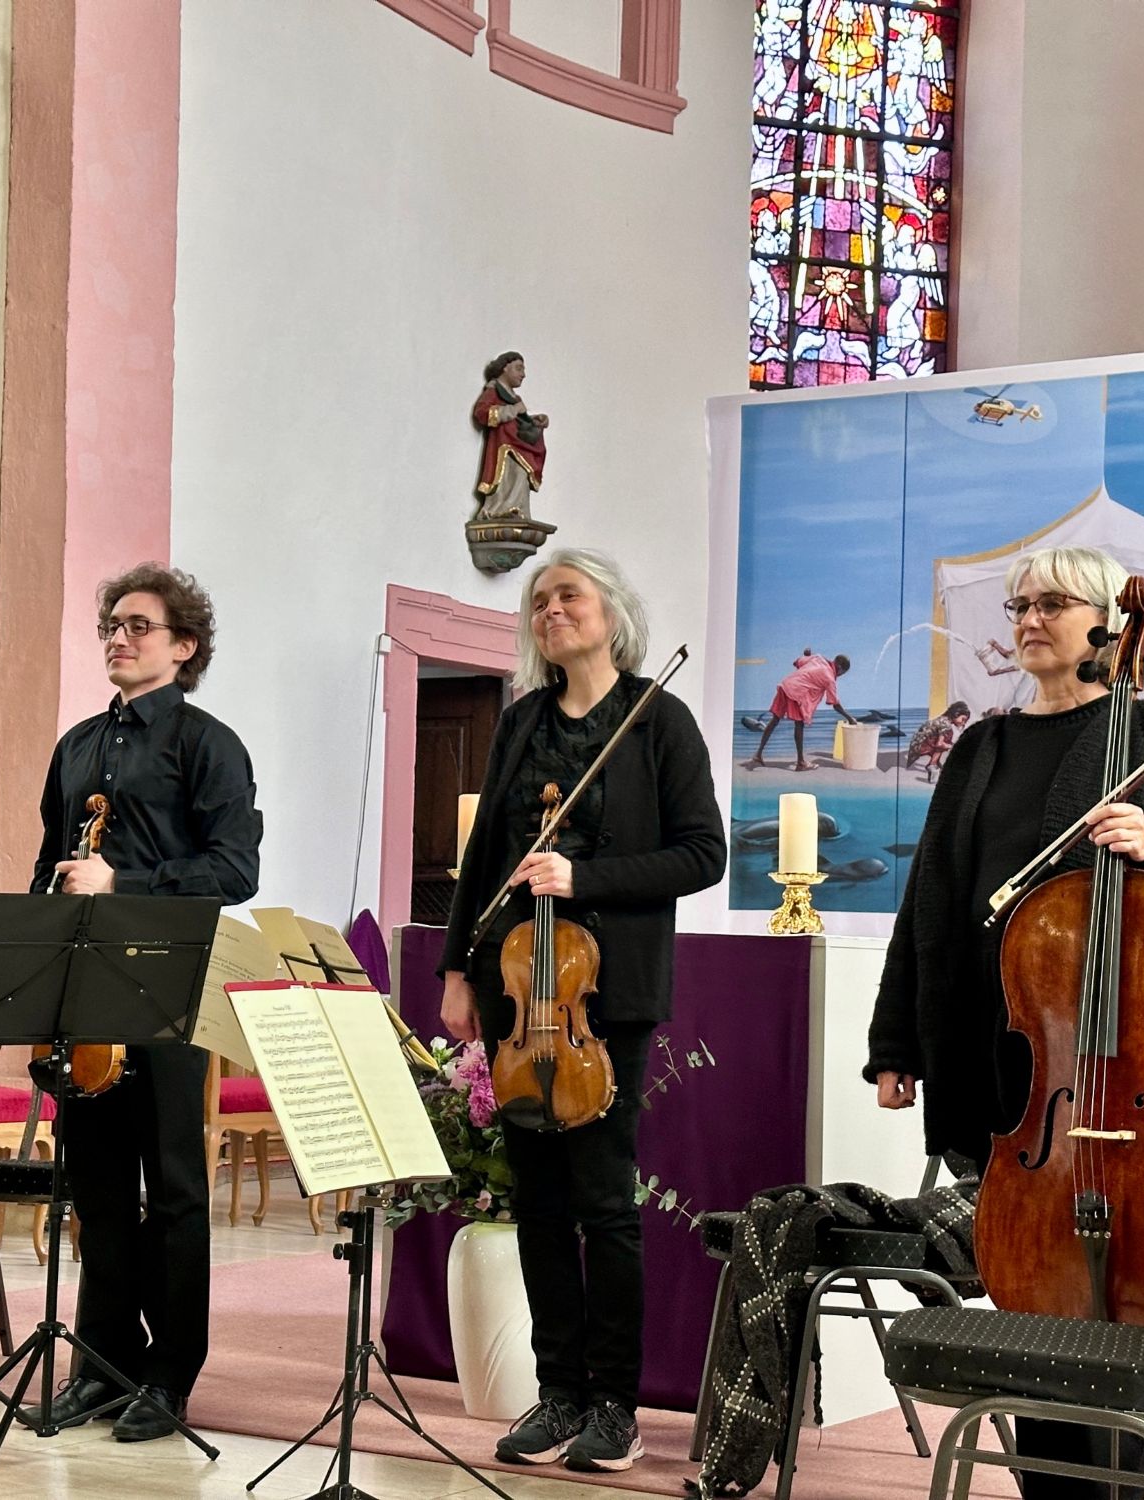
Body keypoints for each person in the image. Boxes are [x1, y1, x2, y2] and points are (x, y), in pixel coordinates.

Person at [865, 545, 1144, 1500]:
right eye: (1021, 604)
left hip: (1114, 1070)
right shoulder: (980, 748)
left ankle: (1109, 1488)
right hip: (1002, 1075)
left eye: (1054, 603)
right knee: (1032, 1301)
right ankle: (1050, 1488)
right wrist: (894, 1043)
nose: (1031, 618)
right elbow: (930, 904)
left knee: (1112, 1314)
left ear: (1107, 624)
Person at [439, 548, 724, 1474]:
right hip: (520, 987)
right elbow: (486, 855)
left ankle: (616, 1405)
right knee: (537, 1203)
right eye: (538, 600)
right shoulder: (521, 721)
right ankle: (555, 1393)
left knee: (603, 1204)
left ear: (612, 612)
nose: (550, 609)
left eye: (569, 594)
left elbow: (701, 854)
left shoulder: (658, 720)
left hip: (609, 999)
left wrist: (585, 875)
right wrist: (456, 969)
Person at [27, 564, 260, 1442]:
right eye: (110, 626)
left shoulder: (208, 745)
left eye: (136, 625)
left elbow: (236, 870)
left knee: (170, 1188)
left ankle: (170, 1374)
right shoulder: (78, 744)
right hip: (84, 988)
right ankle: (102, 1361)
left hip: (167, 981)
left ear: (183, 645)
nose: (117, 638)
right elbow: (50, 859)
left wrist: (125, 880)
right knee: (95, 1188)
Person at [746, 649, 856, 770]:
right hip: (796, 693)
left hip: (785, 685)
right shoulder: (830, 678)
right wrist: (849, 718)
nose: (839, 676)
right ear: (839, 667)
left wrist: (807, 655)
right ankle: (801, 763)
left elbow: (799, 662)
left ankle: (758, 754)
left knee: (775, 720)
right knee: (799, 725)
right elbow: (835, 704)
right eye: (842, 673)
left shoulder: (818, 658)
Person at [473, 352, 549, 521]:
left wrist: (535, 420)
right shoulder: (494, 391)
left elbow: (521, 420)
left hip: (519, 444)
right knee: (508, 475)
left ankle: (516, 509)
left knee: (521, 477)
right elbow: (482, 413)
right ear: (504, 368)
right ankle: (499, 509)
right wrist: (514, 410)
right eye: (519, 368)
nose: (523, 374)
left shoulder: (515, 397)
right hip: (504, 446)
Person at [905, 700, 971, 782]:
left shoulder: (943, 719)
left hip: (919, 744)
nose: (963, 723)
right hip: (920, 746)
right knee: (946, 740)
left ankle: (935, 764)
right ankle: (932, 765)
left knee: (947, 739)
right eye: (963, 719)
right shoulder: (945, 724)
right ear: (956, 714)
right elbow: (939, 744)